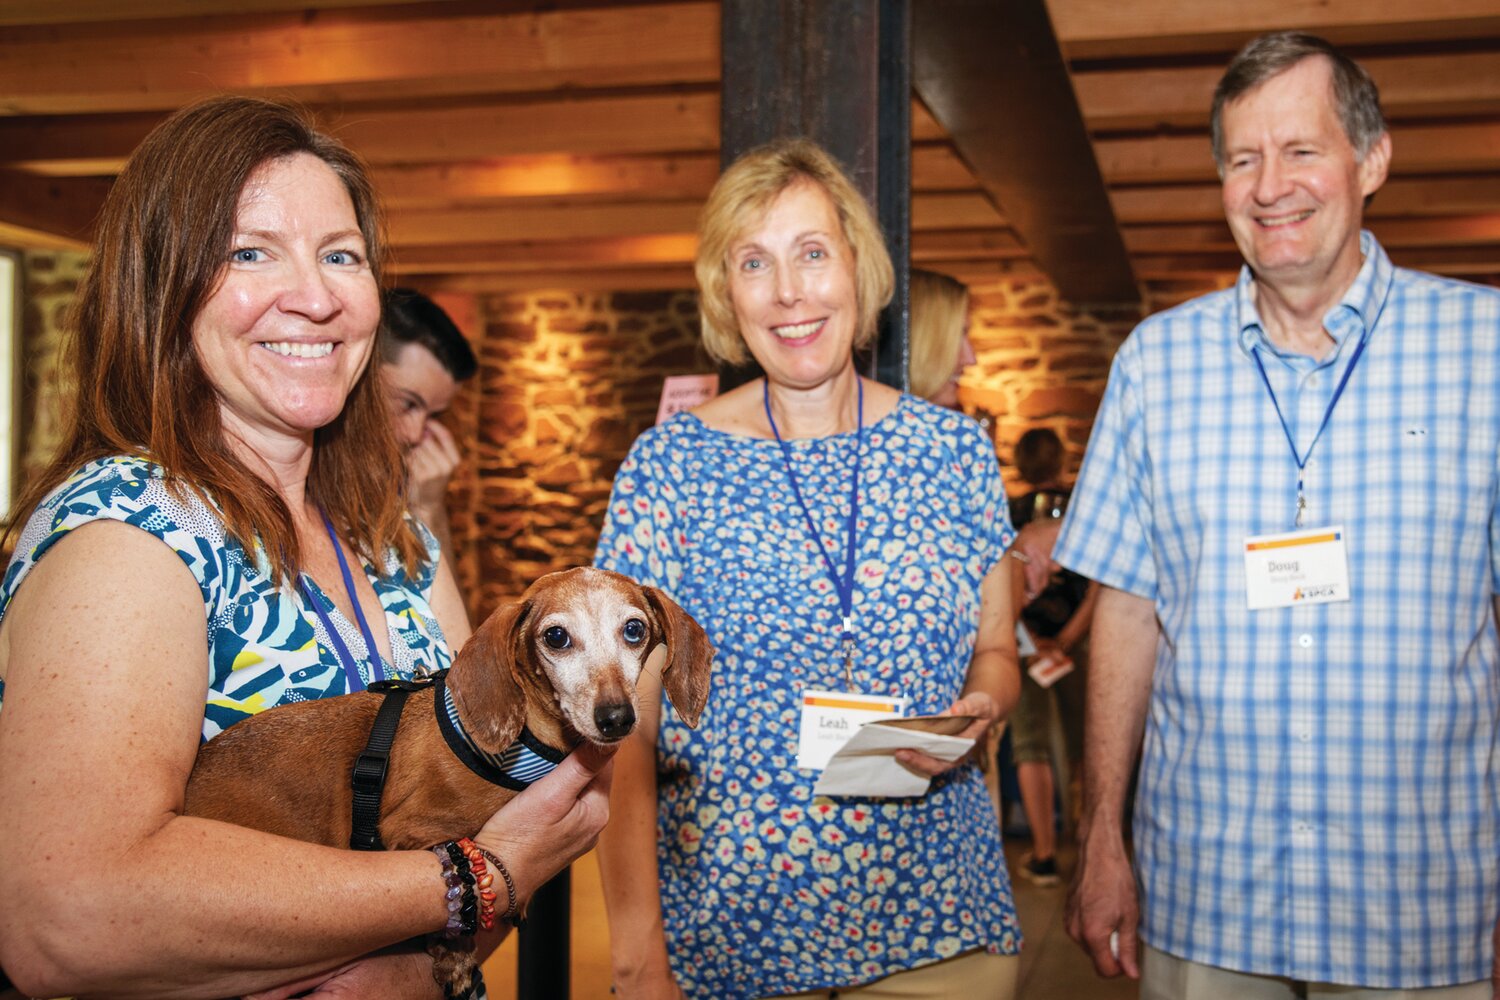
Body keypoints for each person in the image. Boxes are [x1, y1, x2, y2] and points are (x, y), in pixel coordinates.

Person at [0, 96, 613, 999]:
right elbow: (69, 916)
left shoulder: (392, 542)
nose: (318, 296)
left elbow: (476, 802)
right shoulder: (127, 534)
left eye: (341, 256)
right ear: (162, 286)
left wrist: (419, 969)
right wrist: (479, 878)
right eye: (251, 252)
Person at [1056, 31, 1500, 998]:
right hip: (1206, 894)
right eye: (1243, 159)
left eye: (1301, 150)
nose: (1270, 186)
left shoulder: (1487, 351)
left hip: (1423, 899)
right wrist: (1100, 839)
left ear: (1370, 161)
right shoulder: (1154, 365)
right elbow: (1126, 615)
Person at [594, 139, 1023, 1000]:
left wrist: (988, 703)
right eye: (755, 262)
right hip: (730, 934)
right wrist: (637, 950)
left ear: (858, 268)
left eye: (812, 253)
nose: (789, 291)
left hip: (941, 922)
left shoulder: (957, 452)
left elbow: (999, 651)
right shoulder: (669, 467)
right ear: (727, 293)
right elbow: (625, 726)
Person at [1004, 429, 1097, 887]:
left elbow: (1005, 586)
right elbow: (1098, 585)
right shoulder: (1086, 512)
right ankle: (1088, 847)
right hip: (1074, 644)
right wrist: (1068, 638)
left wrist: (1033, 639)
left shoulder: (1012, 512)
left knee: (1030, 747)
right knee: (1087, 743)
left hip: (1024, 643)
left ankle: (1043, 853)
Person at [380, 286, 477, 567]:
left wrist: (430, 509)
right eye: (407, 404)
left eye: (434, 416)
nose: (414, 433)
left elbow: (445, 613)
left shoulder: (398, 487)